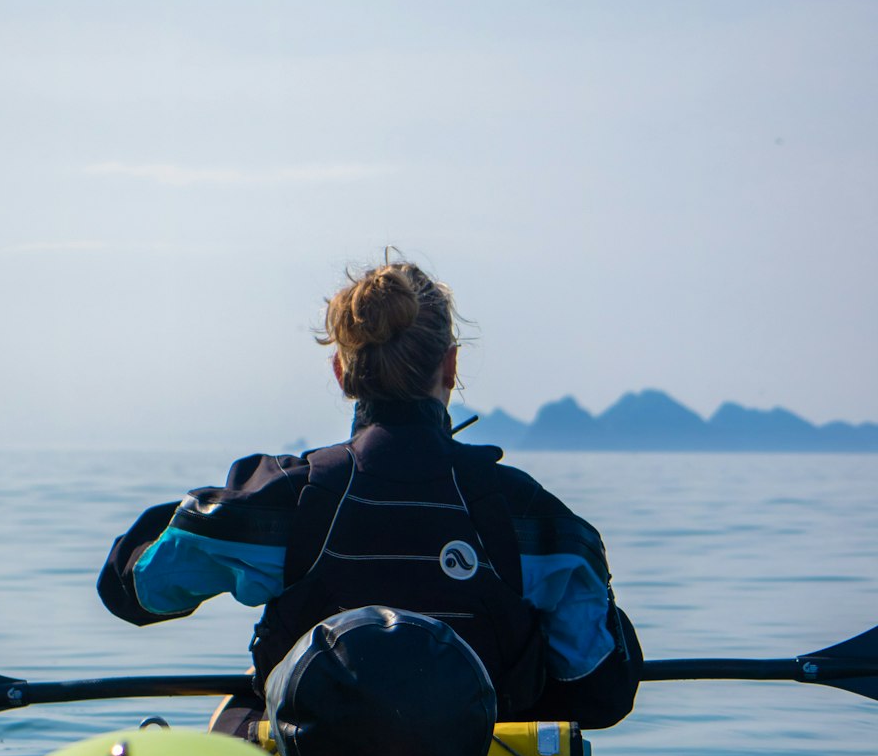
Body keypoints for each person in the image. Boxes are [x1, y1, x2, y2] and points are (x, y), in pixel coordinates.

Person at [98, 258, 641, 729]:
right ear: (450, 367)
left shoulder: (283, 501)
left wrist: (188, 518)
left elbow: (133, 592)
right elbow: (598, 691)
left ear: (341, 372)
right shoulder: (532, 518)